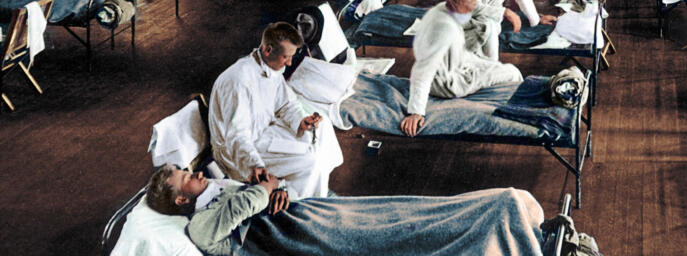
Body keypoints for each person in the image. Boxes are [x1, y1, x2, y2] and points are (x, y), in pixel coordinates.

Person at [145, 164, 547, 256]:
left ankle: (506, 213)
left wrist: (274, 189)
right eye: (187, 177)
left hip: (307, 213)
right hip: (297, 238)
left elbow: (259, 195)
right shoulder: (198, 225)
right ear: (181, 200)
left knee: (400, 211)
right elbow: (244, 207)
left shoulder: (217, 191)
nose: (197, 172)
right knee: (396, 234)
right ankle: (501, 222)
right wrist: (263, 191)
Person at [208, 22, 343, 199]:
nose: (289, 62)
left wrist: (301, 121)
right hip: (239, 153)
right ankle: (304, 203)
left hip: (262, 134)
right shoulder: (238, 82)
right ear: (267, 50)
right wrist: (254, 164)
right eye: (286, 57)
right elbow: (236, 136)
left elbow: (286, 104)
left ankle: (314, 185)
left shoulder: (271, 67)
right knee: (310, 161)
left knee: (321, 128)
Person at [402, 0, 525, 136]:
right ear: (452, 2)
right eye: (468, 4)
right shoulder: (443, 29)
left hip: (457, 65)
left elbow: (477, 9)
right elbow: (422, 70)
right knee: (512, 72)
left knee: (495, 66)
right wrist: (416, 112)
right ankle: (521, 114)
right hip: (448, 84)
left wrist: (505, 13)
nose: (472, 8)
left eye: (473, 2)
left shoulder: (443, 9)